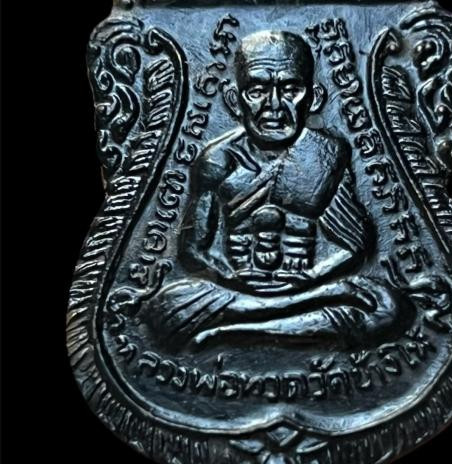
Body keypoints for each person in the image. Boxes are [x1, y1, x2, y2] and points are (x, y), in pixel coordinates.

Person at [140, 30, 413, 349]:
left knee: (387, 306)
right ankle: (281, 324)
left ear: (314, 98)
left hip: (308, 287)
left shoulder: (323, 154)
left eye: (291, 90)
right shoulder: (218, 161)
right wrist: (232, 278)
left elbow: (355, 246)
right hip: (238, 291)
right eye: (257, 90)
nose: (273, 106)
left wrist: (312, 277)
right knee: (165, 308)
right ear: (234, 99)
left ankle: (235, 332)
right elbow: (194, 250)